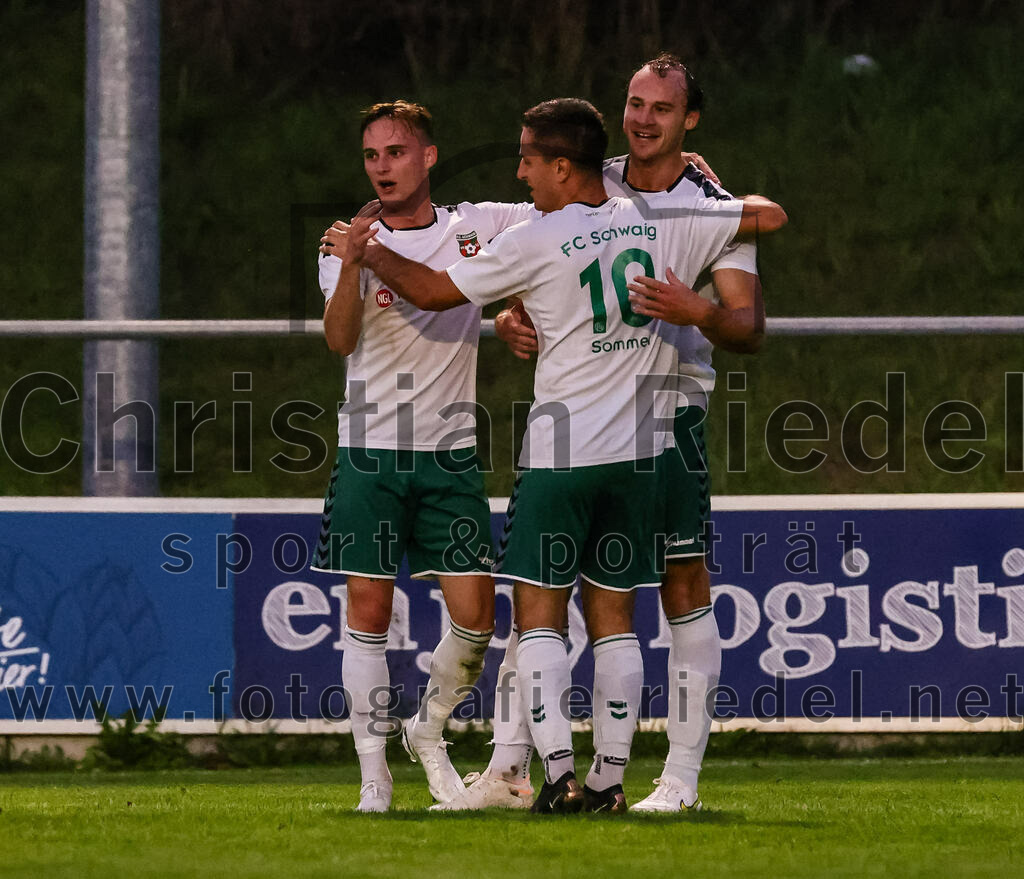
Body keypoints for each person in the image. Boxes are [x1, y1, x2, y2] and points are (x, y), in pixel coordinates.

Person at [336, 97, 785, 813]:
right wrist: (717, 195)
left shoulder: (536, 238)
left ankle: (555, 775)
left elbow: (427, 287)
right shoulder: (657, 219)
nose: (519, 172)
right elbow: (770, 218)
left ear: (562, 166)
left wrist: (368, 250)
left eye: (529, 160)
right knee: (617, 620)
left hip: (561, 452)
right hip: (639, 452)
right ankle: (612, 780)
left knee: (538, 618)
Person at [491, 54, 769, 813]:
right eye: (636, 103)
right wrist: (514, 315)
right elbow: (531, 262)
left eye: (662, 108)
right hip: (583, 415)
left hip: (668, 416)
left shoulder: (711, 205)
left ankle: (679, 777)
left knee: (679, 585)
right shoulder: (588, 176)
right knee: (548, 591)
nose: (645, 118)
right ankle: (514, 765)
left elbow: (748, 326)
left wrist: (699, 311)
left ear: (690, 120)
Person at [313, 100, 534, 813]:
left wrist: (509, 309)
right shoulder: (341, 243)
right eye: (373, 155)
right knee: (368, 611)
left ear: (429, 157)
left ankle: (427, 730)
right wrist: (351, 265)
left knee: (477, 621)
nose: (383, 166)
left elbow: (569, 207)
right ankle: (373, 775)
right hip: (371, 452)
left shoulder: (478, 226)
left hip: (450, 456)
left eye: (397, 152)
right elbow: (339, 340)